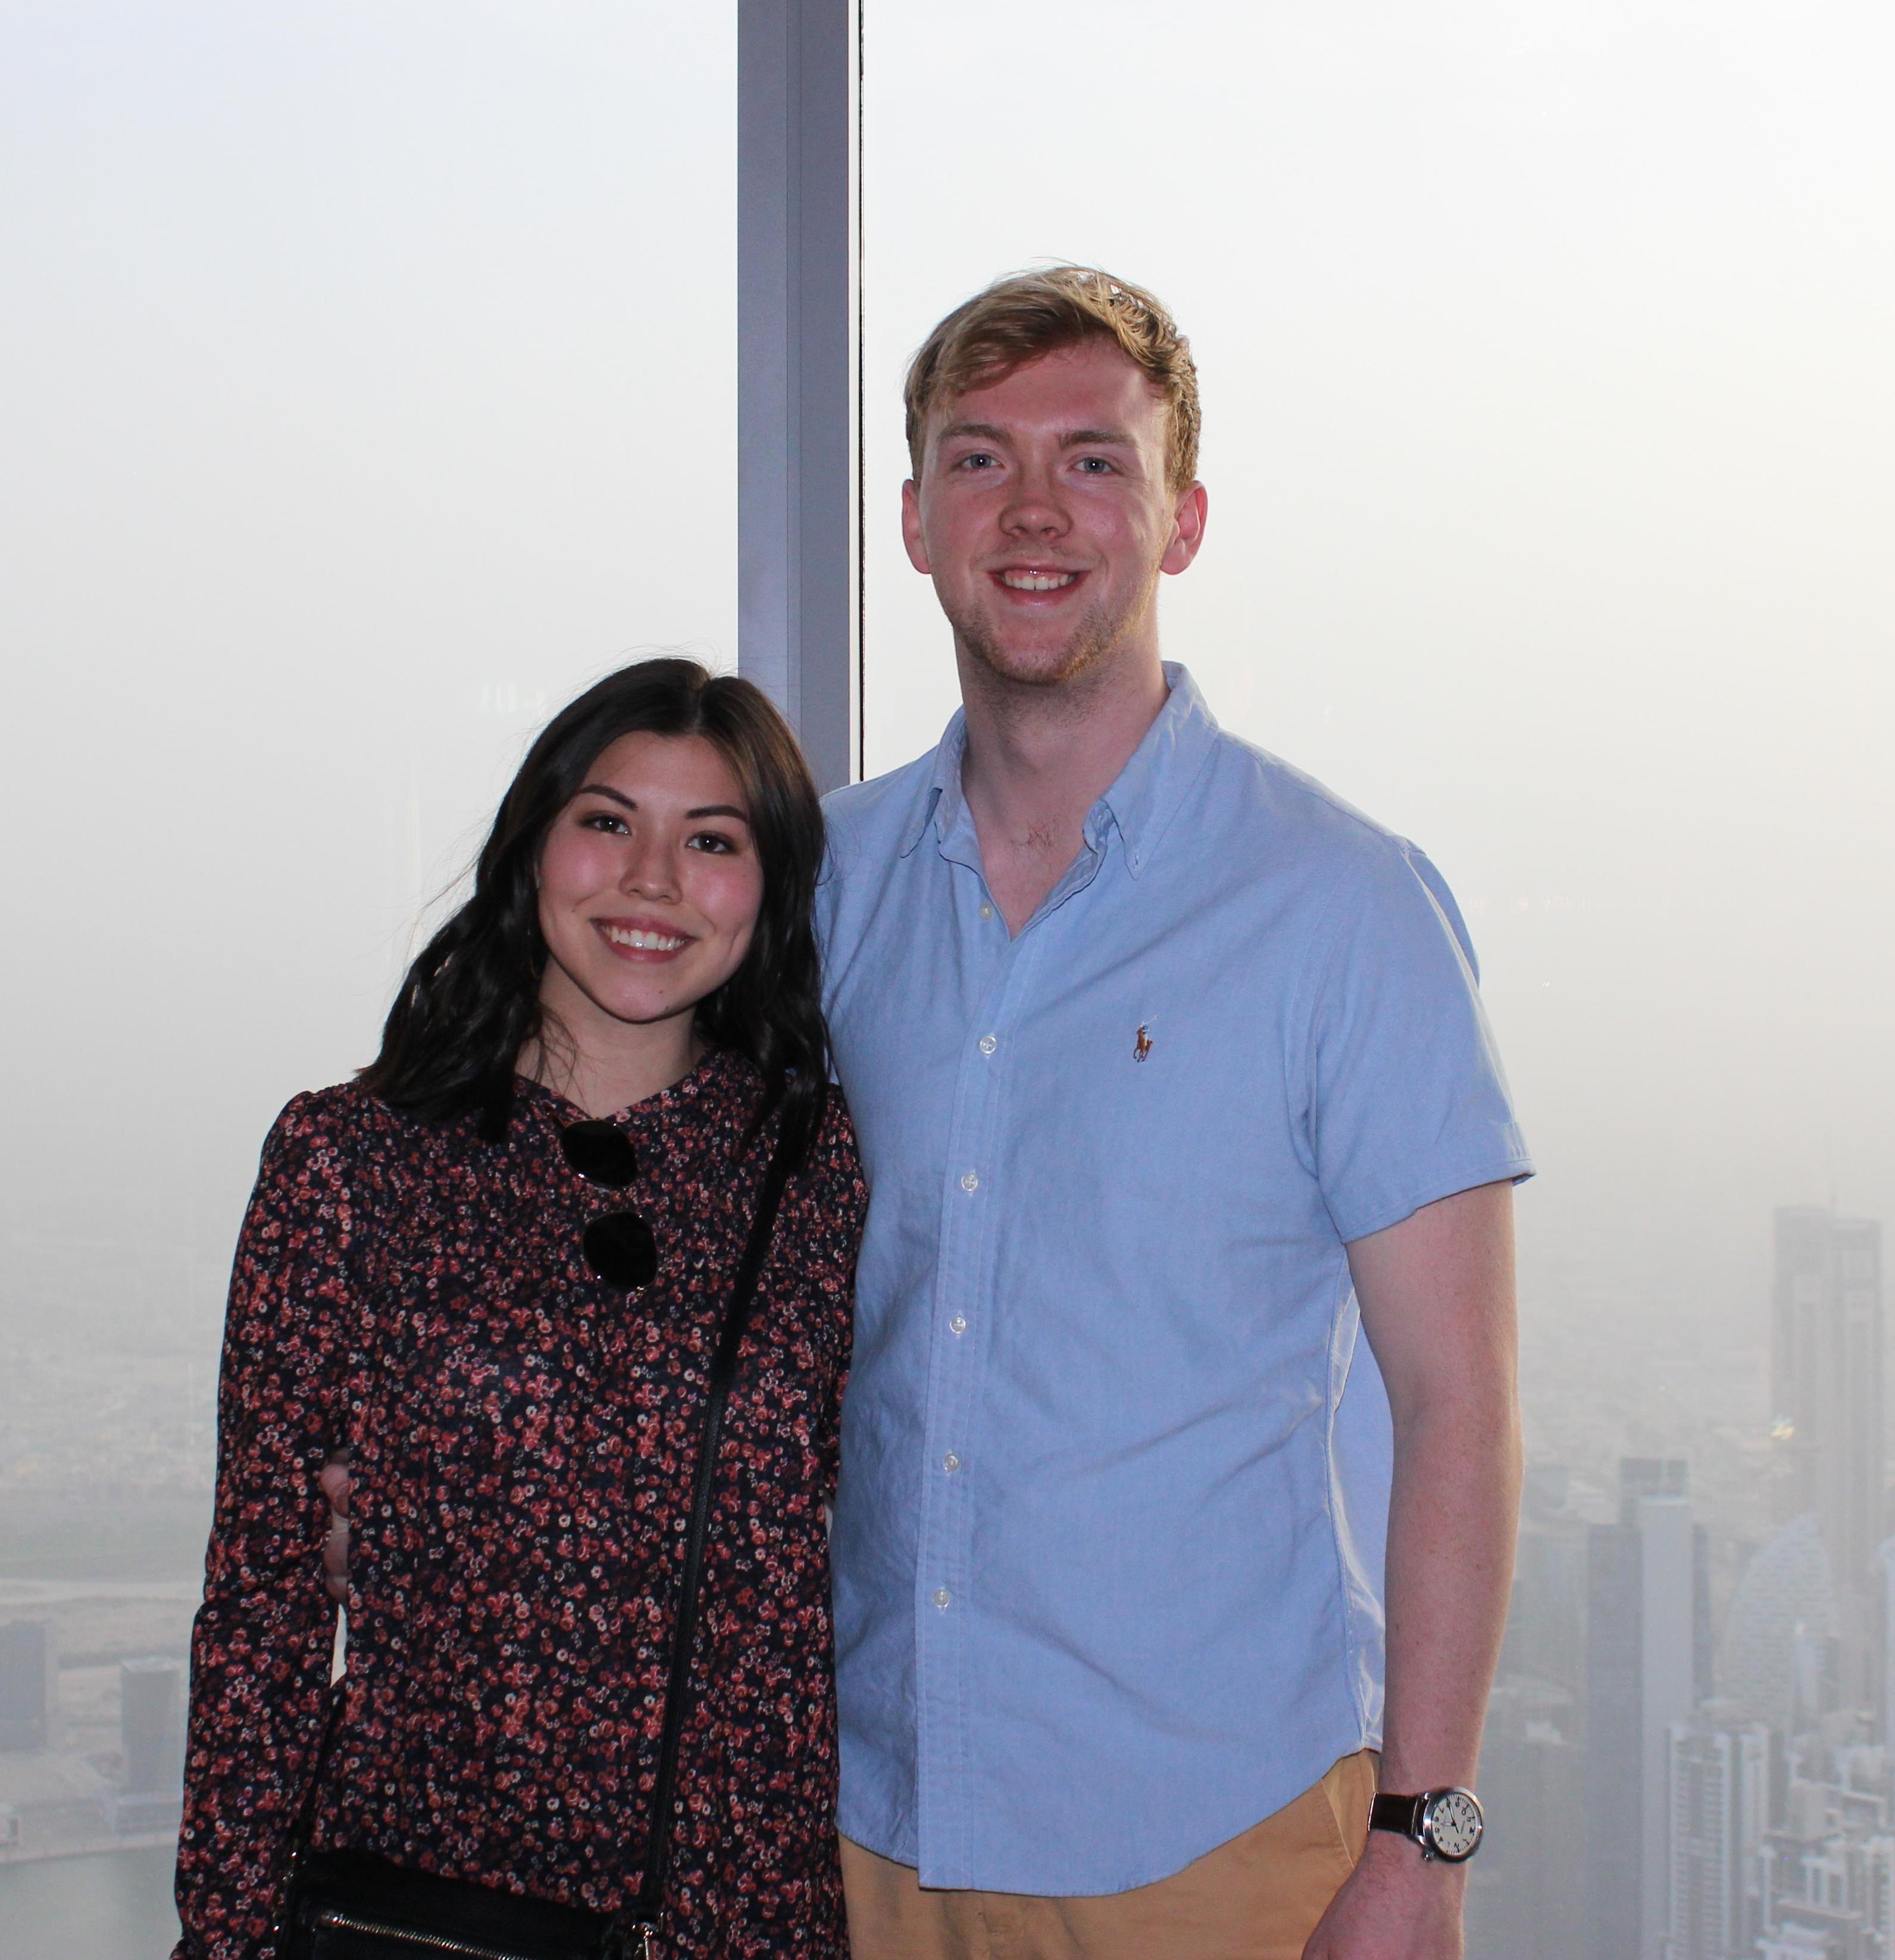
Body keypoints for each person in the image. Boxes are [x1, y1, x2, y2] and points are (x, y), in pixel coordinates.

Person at [816, 268, 1532, 1960]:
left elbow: (1460, 1405)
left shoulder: (1340, 905)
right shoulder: (824, 887)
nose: (1033, 511)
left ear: (1182, 520)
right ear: (913, 520)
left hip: (1216, 1842)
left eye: (1093, 461)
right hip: (858, 1831)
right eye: (978, 460)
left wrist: (1421, 1846)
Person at [176, 659, 867, 1960]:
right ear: (533, 848)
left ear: (767, 885)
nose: (652, 880)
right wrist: (223, 1934)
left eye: (710, 841)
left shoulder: (819, 1164)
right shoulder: (348, 1159)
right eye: (608, 823)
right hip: (423, 1901)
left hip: (738, 1909)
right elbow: (263, 1604)